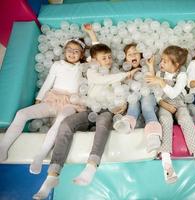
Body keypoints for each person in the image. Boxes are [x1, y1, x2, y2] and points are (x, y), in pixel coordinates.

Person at [32, 24, 139, 199]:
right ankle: (52, 175)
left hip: (107, 110)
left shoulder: (117, 71)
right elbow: (101, 78)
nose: (109, 60)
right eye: (105, 58)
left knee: (104, 122)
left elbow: (124, 92)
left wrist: (124, 105)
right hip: (90, 108)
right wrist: (124, 75)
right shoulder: (90, 71)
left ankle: (91, 166)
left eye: (110, 57)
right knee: (66, 124)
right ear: (96, 61)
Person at [0, 38, 87, 175]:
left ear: (82, 55)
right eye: (69, 50)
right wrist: (39, 98)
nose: (72, 53)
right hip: (52, 99)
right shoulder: (57, 65)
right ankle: (3, 147)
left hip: (71, 103)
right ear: (64, 51)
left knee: (60, 121)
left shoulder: (82, 67)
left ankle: (40, 155)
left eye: (76, 51)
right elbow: (48, 82)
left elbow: (95, 58)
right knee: (22, 114)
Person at [145, 45, 195, 184]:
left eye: (165, 61)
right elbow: (156, 91)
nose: (162, 63)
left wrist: (160, 82)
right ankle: (167, 164)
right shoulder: (160, 74)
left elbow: (174, 93)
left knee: (185, 119)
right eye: (162, 60)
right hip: (165, 104)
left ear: (176, 64)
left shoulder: (182, 75)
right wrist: (151, 68)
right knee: (165, 120)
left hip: (179, 103)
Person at [114, 42, 162, 152]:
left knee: (146, 107)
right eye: (130, 54)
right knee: (133, 105)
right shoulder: (125, 73)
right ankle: (127, 125)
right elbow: (123, 91)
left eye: (136, 53)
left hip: (148, 94)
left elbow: (153, 82)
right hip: (133, 96)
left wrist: (150, 66)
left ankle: (153, 137)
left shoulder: (145, 68)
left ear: (141, 56)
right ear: (125, 58)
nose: (133, 56)